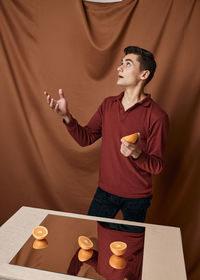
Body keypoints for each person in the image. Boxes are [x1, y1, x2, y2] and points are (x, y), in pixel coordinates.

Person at [44, 46, 169, 224]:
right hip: (105, 193)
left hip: (138, 198)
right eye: (120, 64)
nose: (119, 68)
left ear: (144, 75)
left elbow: (157, 166)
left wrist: (136, 153)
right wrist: (66, 116)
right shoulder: (108, 105)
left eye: (127, 64)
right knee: (90, 242)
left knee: (131, 249)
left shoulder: (157, 116)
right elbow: (85, 139)